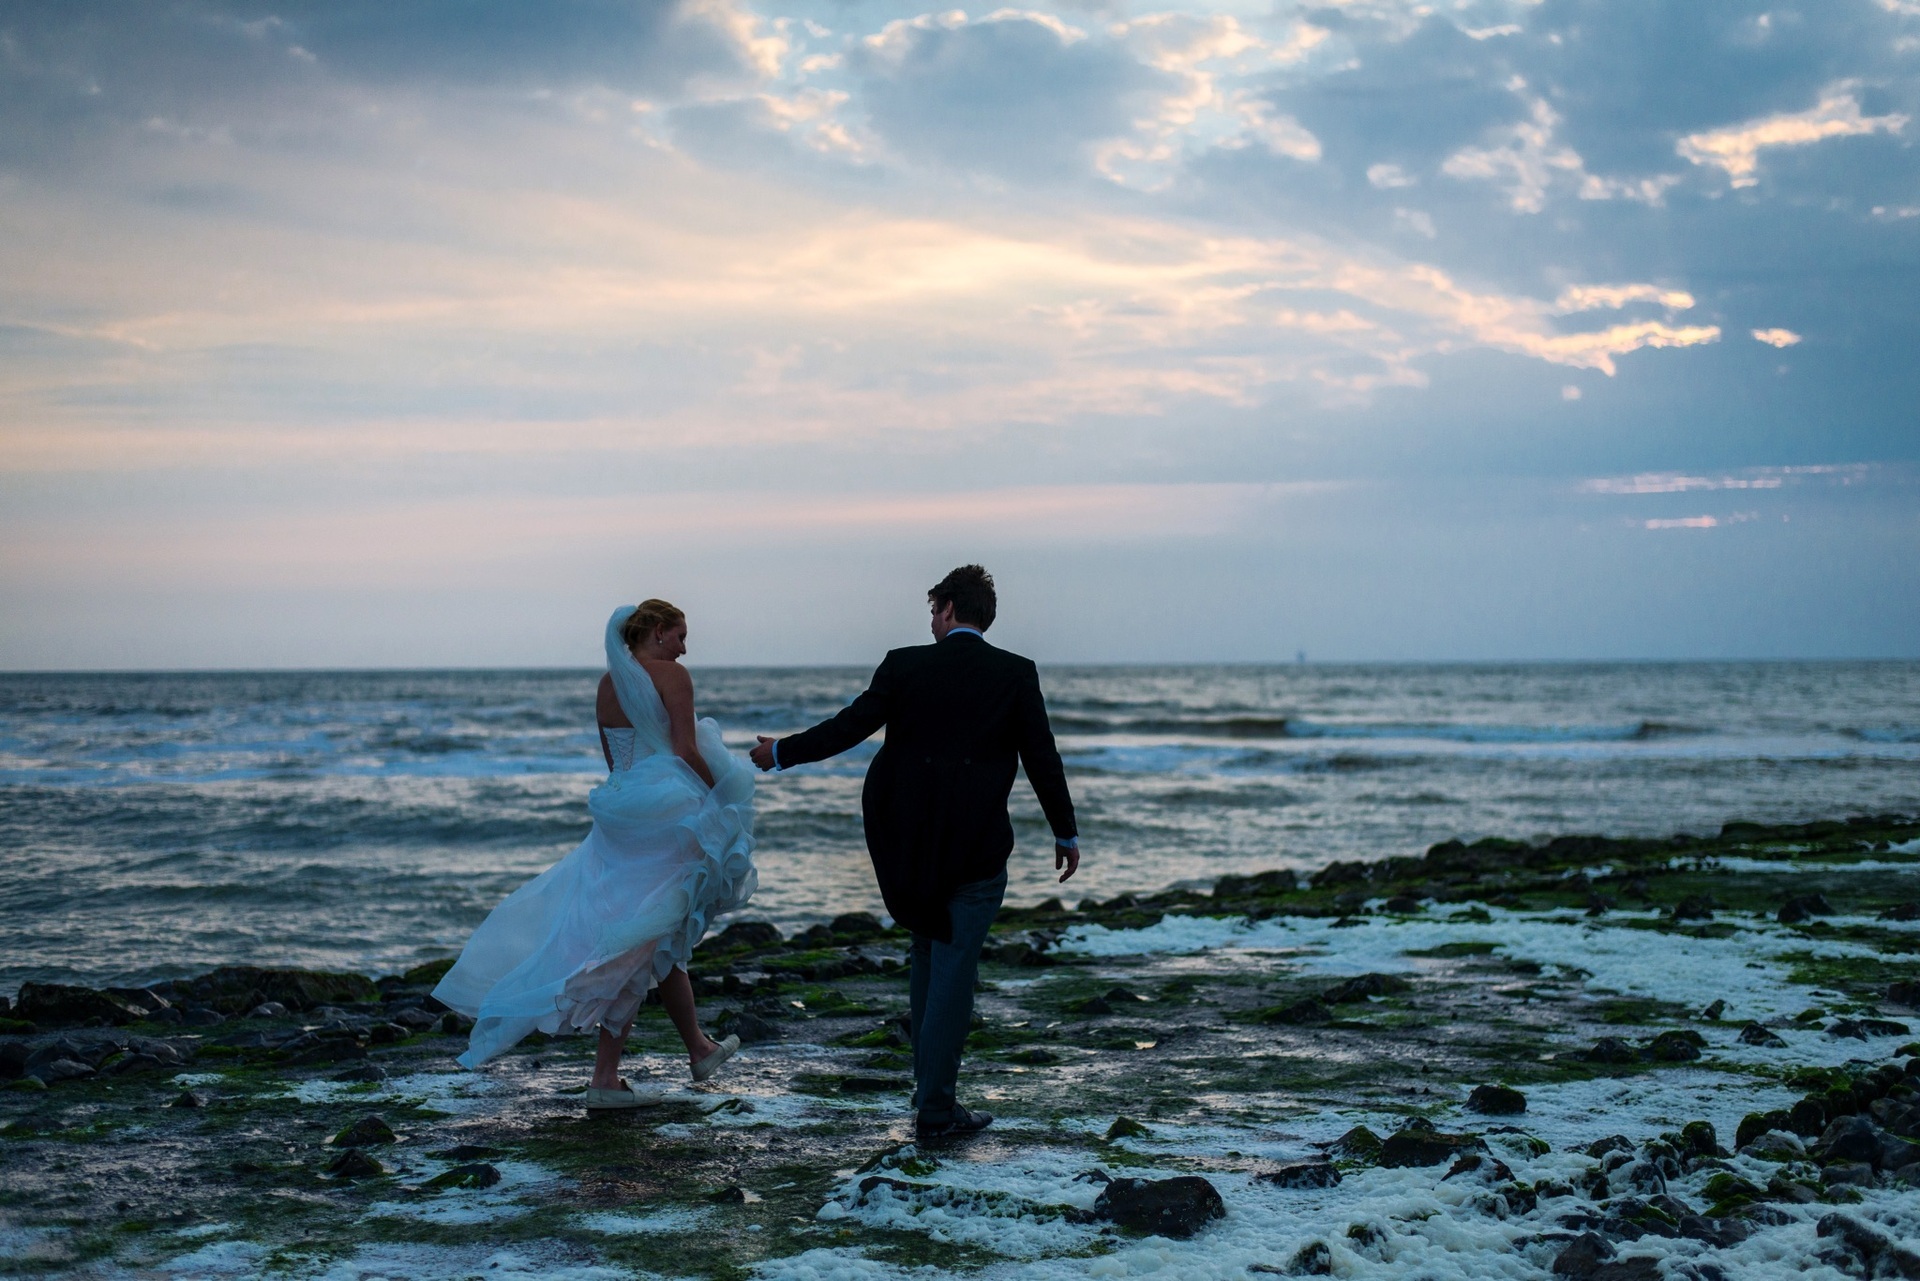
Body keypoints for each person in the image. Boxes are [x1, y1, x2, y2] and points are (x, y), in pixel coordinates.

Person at [748, 565, 1079, 1140]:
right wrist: (1065, 832)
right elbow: (1040, 757)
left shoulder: (903, 665)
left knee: (930, 961)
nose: (930, 621)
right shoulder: (1015, 673)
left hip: (908, 849)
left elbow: (849, 727)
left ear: (950, 609)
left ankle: (931, 1100)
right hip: (975, 850)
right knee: (951, 972)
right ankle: (934, 1110)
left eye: (933, 610)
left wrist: (782, 753)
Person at [434, 601, 756, 1110]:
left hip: (625, 816)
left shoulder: (609, 685)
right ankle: (606, 1078)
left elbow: (616, 763)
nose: (684, 647)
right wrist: (722, 803)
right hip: (669, 815)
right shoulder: (672, 675)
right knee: (639, 943)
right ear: (654, 632)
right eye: (679, 635)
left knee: (655, 934)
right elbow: (686, 750)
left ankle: (699, 1049)